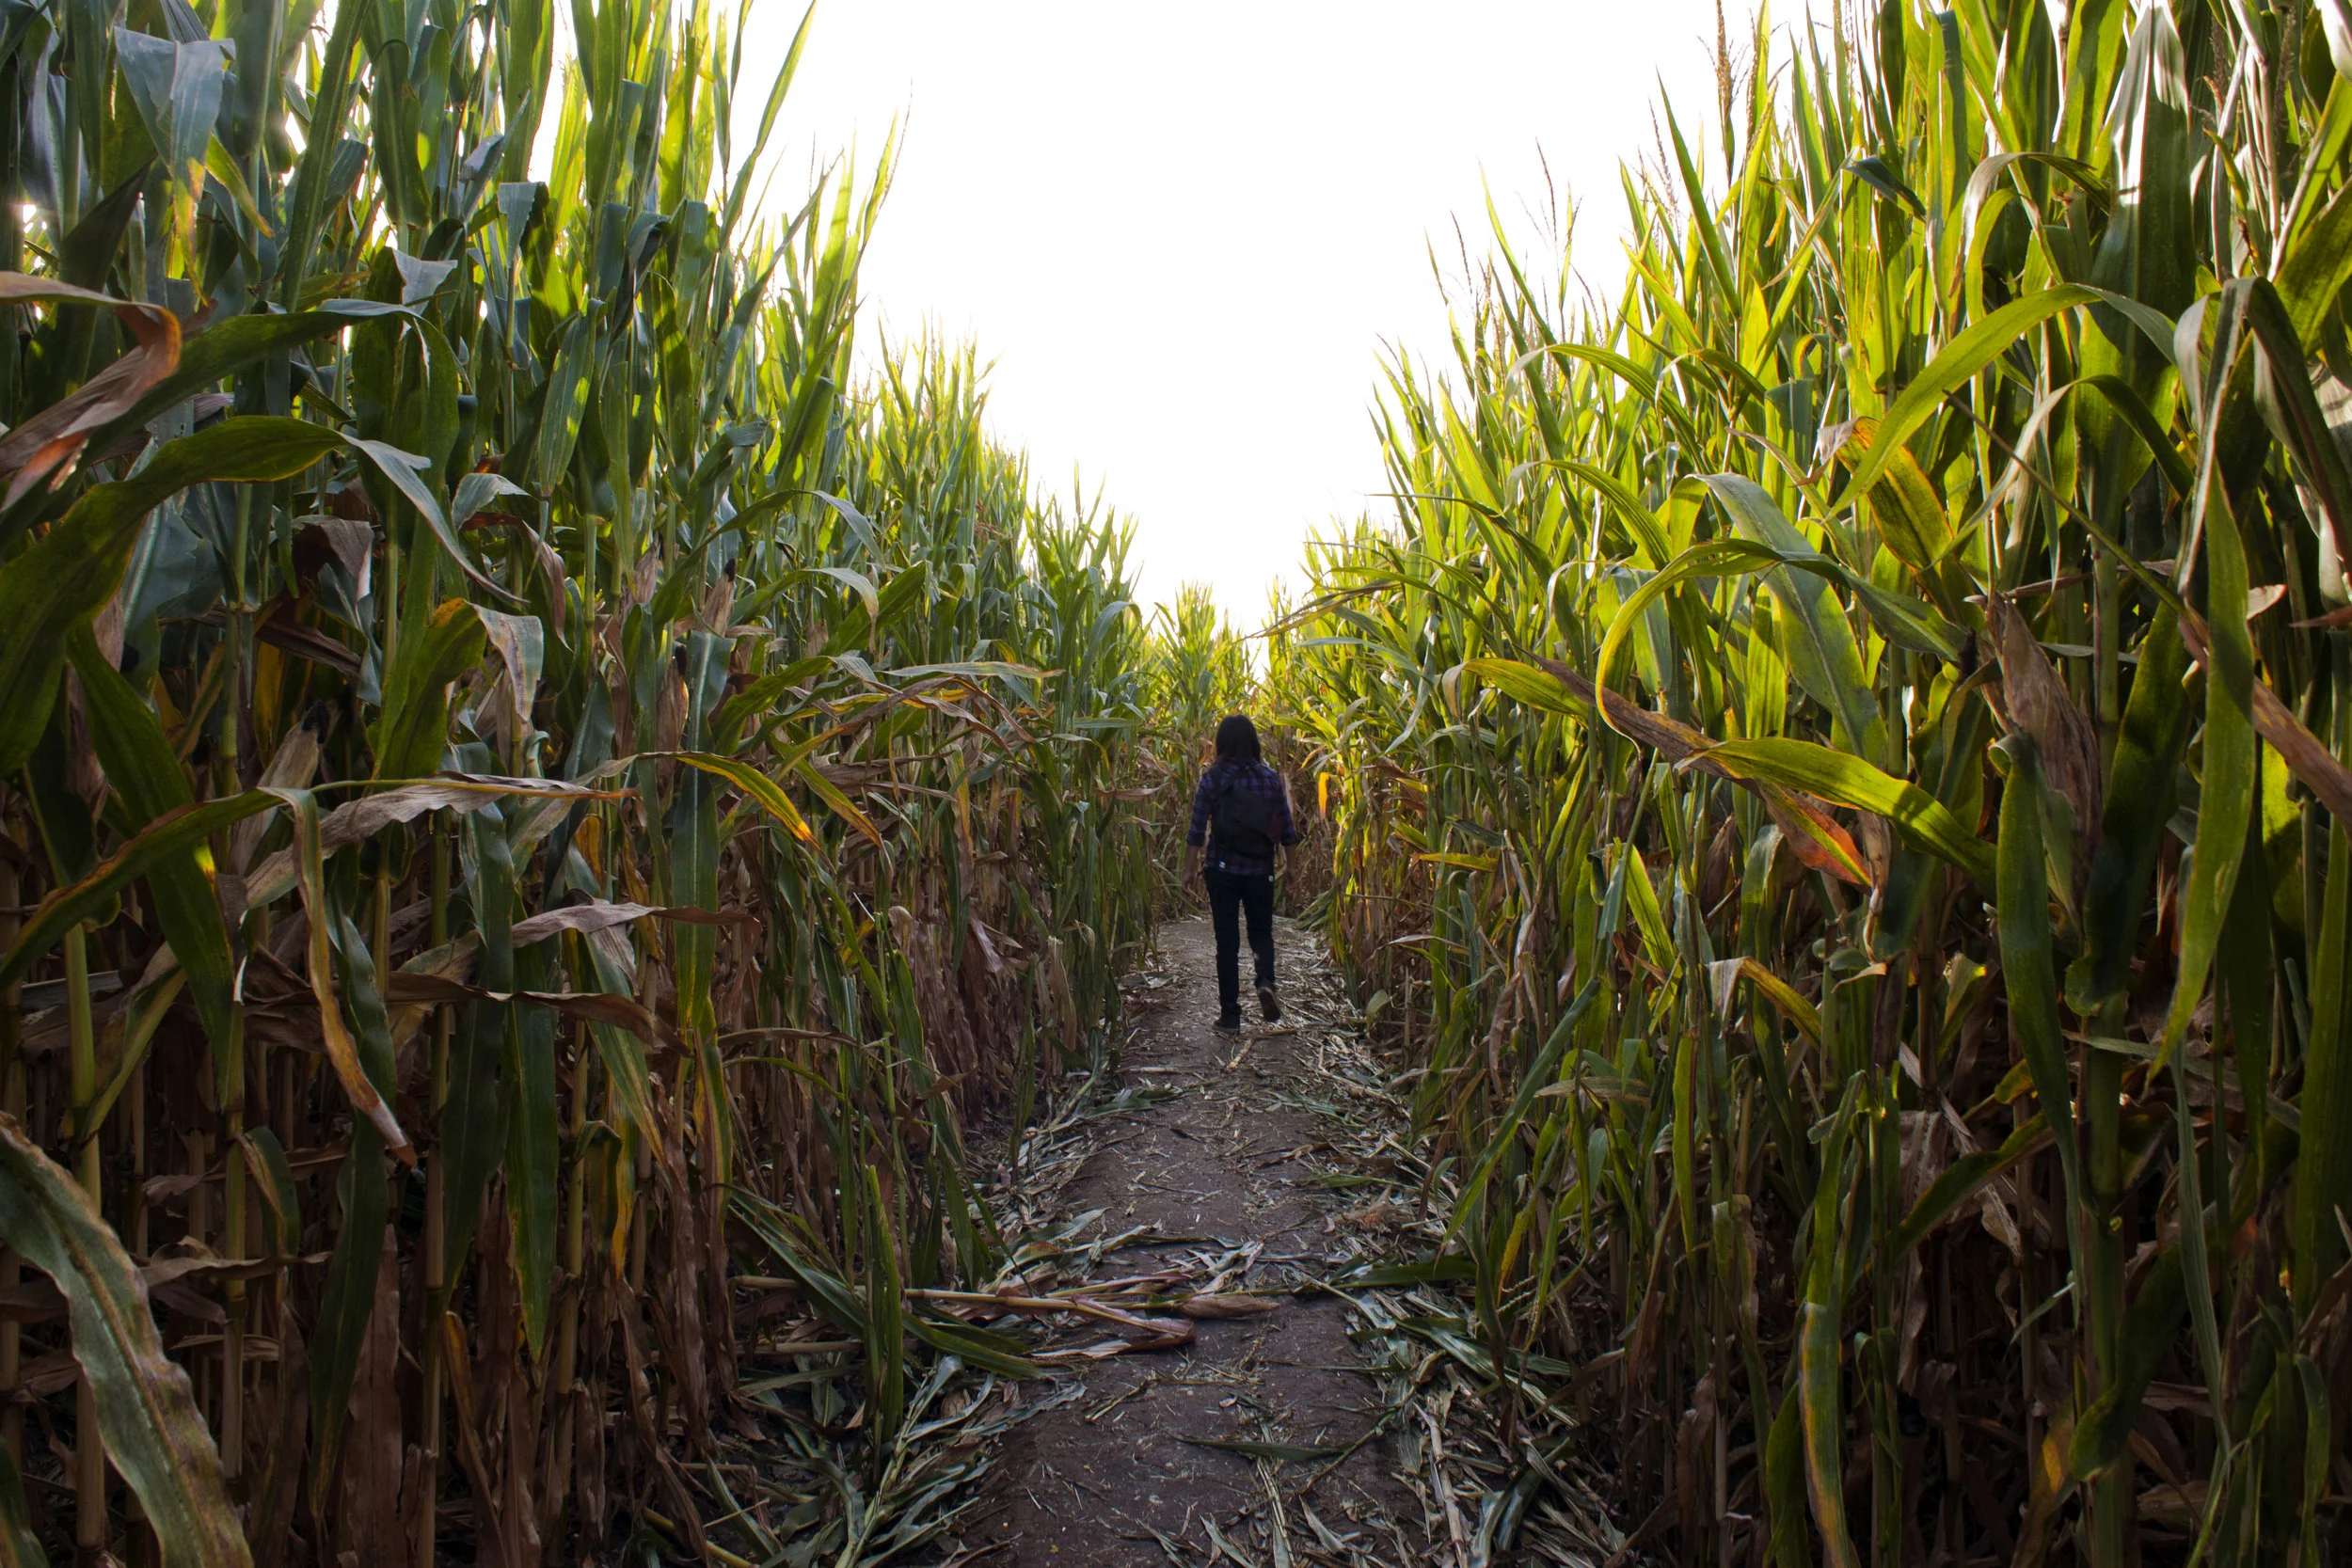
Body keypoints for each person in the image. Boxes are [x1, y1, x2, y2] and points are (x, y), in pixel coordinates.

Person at [1183, 714, 1299, 1033]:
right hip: (1260, 870)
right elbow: (1286, 829)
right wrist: (1290, 866)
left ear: (1221, 744)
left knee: (1227, 943)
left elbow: (1196, 830)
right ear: (1253, 743)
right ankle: (1265, 982)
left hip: (1222, 871)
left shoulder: (1212, 779)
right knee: (1261, 933)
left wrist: (1189, 869)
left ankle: (1230, 1016)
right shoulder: (1269, 778)